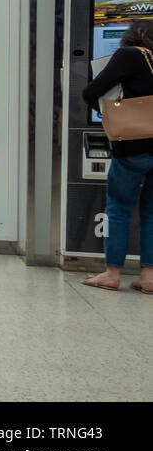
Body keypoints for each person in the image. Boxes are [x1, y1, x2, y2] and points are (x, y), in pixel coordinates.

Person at [80, 21, 153, 293]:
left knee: (119, 210)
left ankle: (112, 273)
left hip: (133, 146)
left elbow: (91, 91)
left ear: (135, 36)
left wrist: (105, 109)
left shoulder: (129, 55)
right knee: (152, 213)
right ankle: (149, 277)